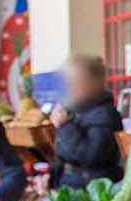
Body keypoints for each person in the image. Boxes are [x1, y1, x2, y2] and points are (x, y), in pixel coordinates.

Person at [51, 55, 123, 190]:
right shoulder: (76, 111)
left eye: (75, 81)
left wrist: (65, 126)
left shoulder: (105, 114)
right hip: (70, 187)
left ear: (94, 83)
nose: (69, 86)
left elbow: (92, 157)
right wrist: (51, 178)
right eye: (67, 81)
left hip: (92, 190)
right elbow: (64, 157)